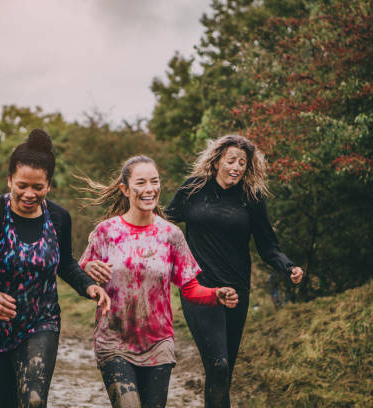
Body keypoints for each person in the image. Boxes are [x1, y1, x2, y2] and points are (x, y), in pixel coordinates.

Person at [0, 129, 110, 408]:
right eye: (22, 185)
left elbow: (64, 263)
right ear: (9, 180)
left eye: (37, 187)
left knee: (34, 401)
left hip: (41, 323)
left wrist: (88, 285)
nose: (29, 193)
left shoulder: (59, 217)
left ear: (49, 184)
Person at [78, 155, 239, 408]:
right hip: (114, 340)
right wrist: (88, 270)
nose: (149, 189)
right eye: (140, 183)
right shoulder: (106, 232)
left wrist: (214, 294)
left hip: (158, 344)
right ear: (125, 189)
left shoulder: (170, 235)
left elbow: (189, 288)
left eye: (154, 181)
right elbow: (80, 275)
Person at [164, 134, 304, 408]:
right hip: (199, 288)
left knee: (224, 372)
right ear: (216, 161)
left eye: (243, 162)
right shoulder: (193, 189)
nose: (237, 167)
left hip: (237, 292)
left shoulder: (251, 198)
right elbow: (163, 223)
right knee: (218, 364)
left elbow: (268, 245)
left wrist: (288, 267)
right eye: (231, 160)